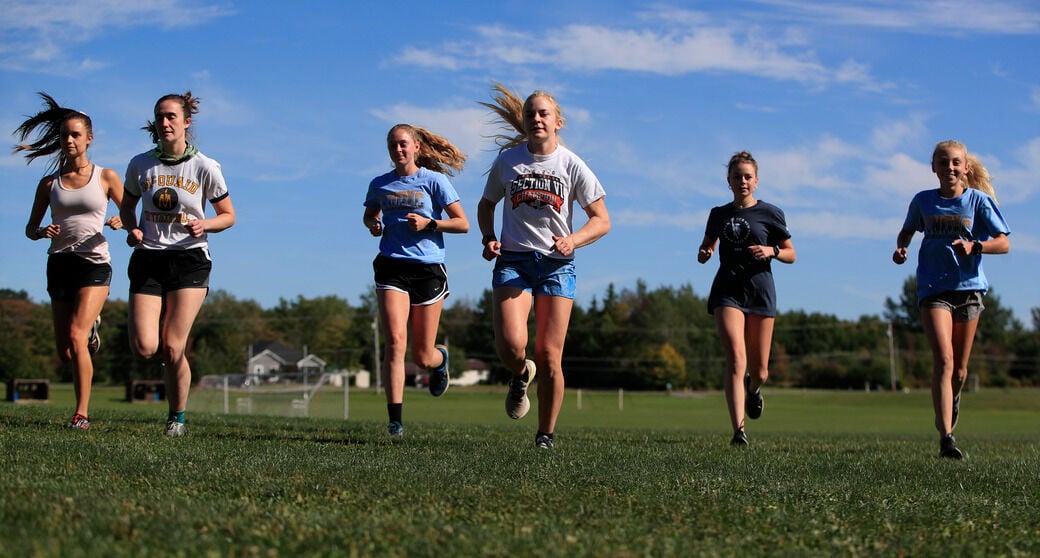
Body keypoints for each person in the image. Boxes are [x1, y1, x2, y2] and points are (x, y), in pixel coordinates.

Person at [477, 84, 611, 449]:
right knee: (510, 344)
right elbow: (486, 204)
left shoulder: (572, 164)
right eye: (530, 114)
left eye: (543, 113)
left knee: (550, 355)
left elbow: (601, 219)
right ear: (522, 122)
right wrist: (489, 237)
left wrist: (574, 239)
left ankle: (545, 435)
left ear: (558, 122)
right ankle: (521, 375)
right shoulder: (507, 161)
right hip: (514, 261)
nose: (536, 118)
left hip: (556, 265)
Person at [120, 91, 236, 437]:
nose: (165, 122)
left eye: (171, 116)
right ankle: (174, 381)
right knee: (145, 347)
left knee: (173, 346)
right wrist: (133, 228)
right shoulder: (140, 164)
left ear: (186, 122)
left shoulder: (205, 166)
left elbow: (228, 216)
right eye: (160, 117)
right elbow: (126, 208)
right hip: (149, 257)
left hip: (190, 258)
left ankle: (177, 418)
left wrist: (205, 224)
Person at [892, 140, 1010, 459]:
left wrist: (977, 247)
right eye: (943, 163)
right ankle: (947, 438)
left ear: (966, 167)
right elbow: (907, 231)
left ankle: (952, 400)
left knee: (959, 370)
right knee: (943, 360)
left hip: (969, 288)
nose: (950, 169)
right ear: (934, 168)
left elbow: (1004, 243)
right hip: (932, 288)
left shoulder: (978, 201)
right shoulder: (923, 201)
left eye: (956, 163)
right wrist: (902, 247)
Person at [16, 93, 124, 430]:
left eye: (76, 135)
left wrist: (122, 221)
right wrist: (41, 230)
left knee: (77, 338)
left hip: (94, 263)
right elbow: (29, 229)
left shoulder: (105, 177)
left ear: (89, 138)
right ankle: (91, 327)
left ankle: (81, 414)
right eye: (65, 135)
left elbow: (132, 214)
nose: (70, 141)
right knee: (66, 351)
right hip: (59, 263)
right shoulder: (49, 185)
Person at [363, 124, 470, 437]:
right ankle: (395, 422)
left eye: (404, 145)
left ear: (417, 148)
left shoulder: (434, 181)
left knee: (422, 356)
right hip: (391, 266)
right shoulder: (380, 184)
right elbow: (370, 214)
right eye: (394, 145)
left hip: (427, 269)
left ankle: (440, 361)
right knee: (395, 341)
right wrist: (373, 222)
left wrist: (430, 223)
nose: (398, 150)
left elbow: (462, 224)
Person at [697, 151, 795, 447]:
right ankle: (738, 431)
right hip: (728, 290)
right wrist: (705, 253)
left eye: (747, 176)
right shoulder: (718, 214)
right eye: (737, 176)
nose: (742, 181)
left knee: (760, 369)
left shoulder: (771, 213)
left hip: (760, 291)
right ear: (728, 181)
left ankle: (754, 390)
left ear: (756, 181)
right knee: (736, 360)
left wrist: (772, 251)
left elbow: (791, 253)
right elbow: (705, 248)